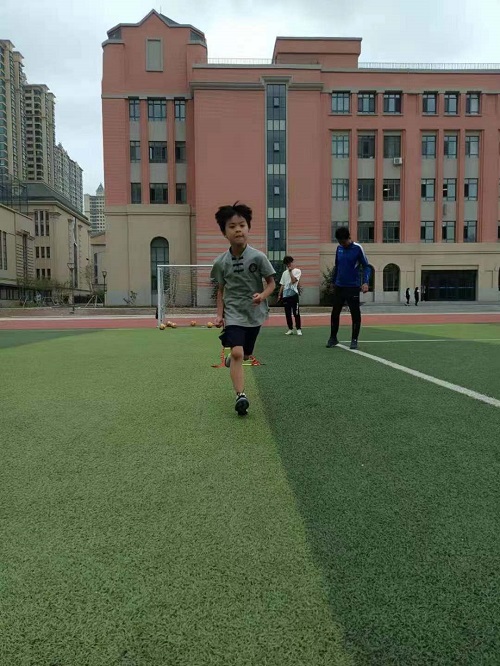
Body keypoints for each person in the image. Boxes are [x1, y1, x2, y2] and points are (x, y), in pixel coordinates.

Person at [211, 202, 275, 416]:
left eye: (242, 225)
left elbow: (271, 283)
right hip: (233, 313)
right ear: (224, 232)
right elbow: (221, 290)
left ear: (248, 228)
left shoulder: (258, 257)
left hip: (254, 314)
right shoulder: (220, 262)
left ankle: (232, 361)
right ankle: (241, 396)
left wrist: (262, 296)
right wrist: (219, 315)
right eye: (232, 226)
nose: (238, 230)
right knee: (237, 352)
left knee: (245, 355)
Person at [326, 226, 370, 350]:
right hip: (339, 286)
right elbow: (337, 266)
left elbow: (366, 266)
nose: (342, 244)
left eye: (343, 242)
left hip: (353, 287)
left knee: (355, 314)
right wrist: (332, 282)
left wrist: (365, 282)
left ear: (348, 238)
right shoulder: (339, 248)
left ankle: (354, 339)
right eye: (339, 242)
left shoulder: (357, 248)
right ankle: (333, 338)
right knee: (335, 313)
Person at [277, 255, 302, 336]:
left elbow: (294, 281)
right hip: (286, 296)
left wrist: (290, 271)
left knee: (296, 312)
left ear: (292, 262)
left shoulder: (297, 271)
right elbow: (282, 285)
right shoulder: (284, 273)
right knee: (288, 314)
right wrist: (279, 295)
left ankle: (298, 329)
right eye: (286, 264)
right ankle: (290, 329)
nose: (288, 265)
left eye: (289, 263)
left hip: (294, 295)